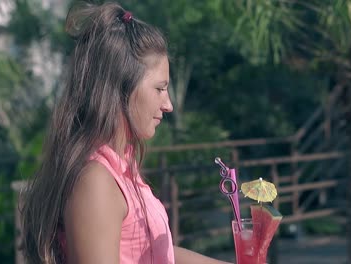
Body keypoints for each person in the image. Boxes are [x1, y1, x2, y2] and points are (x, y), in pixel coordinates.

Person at [20, 2, 231, 263]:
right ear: (121, 87)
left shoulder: (121, 168)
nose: (168, 105)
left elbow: (157, 254)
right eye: (159, 89)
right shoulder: (95, 182)